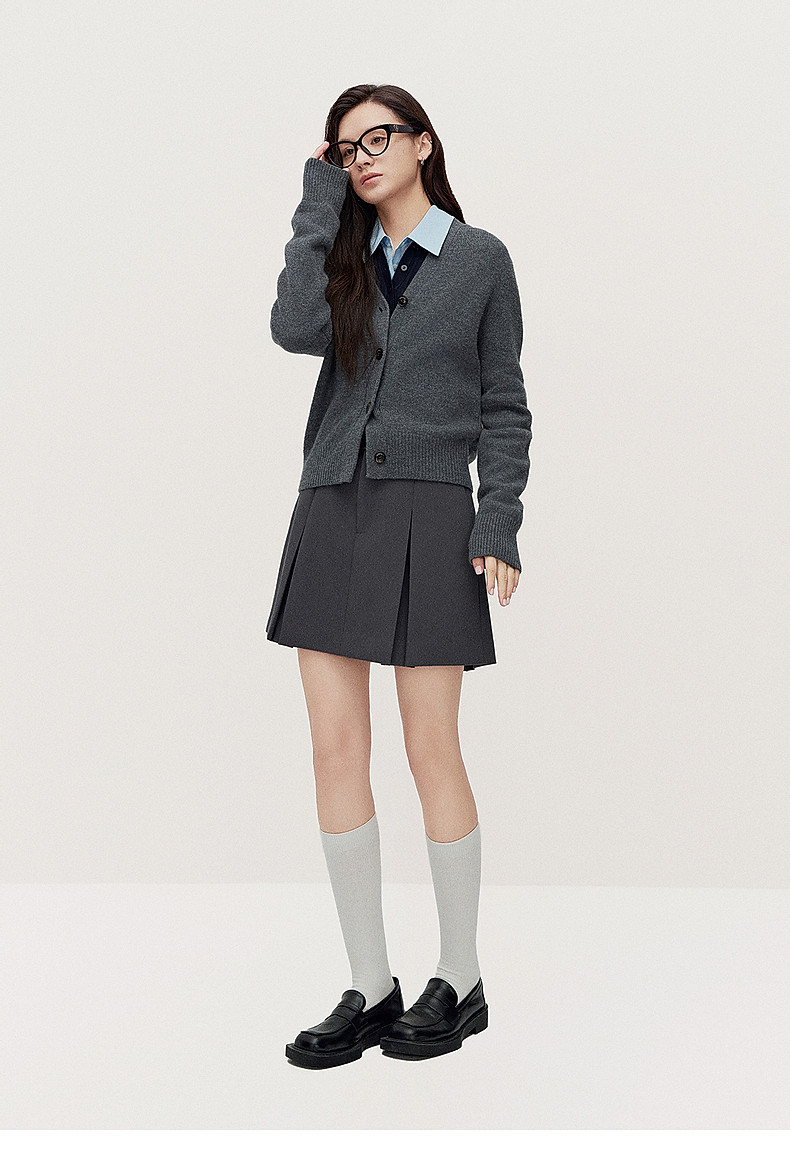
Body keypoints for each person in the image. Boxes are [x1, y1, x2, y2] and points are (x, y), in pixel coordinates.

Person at [266, 84, 532, 1068]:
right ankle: (371, 984)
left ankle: (458, 978)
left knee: (431, 750)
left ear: (423, 143)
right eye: (345, 150)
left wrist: (498, 517)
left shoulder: (480, 260)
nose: (363, 157)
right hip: (333, 503)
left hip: (430, 512)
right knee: (335, 750)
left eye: (377, 138)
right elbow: (293, 329)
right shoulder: (342, 261)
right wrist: (317, 202)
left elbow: (504, 402)